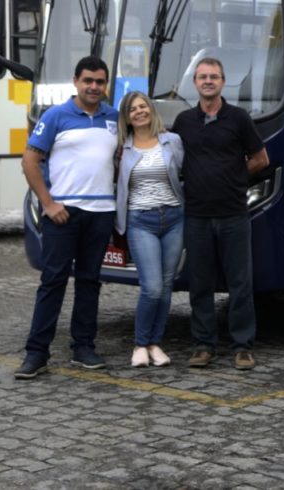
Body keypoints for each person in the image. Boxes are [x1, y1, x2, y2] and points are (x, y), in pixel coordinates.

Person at [14, 55, 119, 379]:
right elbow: (30, 161)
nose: (94, 87)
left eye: (100, 82)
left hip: (100, 214)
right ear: (76, 82)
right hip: (63, 214)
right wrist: (48, 203)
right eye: (88, 80)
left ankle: (83, 347)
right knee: (53, 281)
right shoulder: (56, 116)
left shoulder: (114, 118)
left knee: (90, 283)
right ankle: (36, 353)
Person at [172, 57, 269, 371]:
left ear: (223, 82)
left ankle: (243, 346)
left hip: (233, 214)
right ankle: (204, 345)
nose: (208, 81)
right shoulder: (184, 121)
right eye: (203, 77)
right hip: (197, 215)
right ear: (195, 83)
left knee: (240, 283)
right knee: (200, 283)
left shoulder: (238, 118)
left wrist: (235, 178)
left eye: (214, 76)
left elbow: (260, 158)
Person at [115, 92, 184, 368]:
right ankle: (140, 344)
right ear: (127, 117)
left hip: (175, 218)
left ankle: (156, 343)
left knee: (167, 287)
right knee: (152, 287)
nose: (139, 111)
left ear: (151, 110)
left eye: (143, 106)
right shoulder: (121, 148)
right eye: (133, 109)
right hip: (140, 220)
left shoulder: (173, 141)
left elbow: (186, 173)